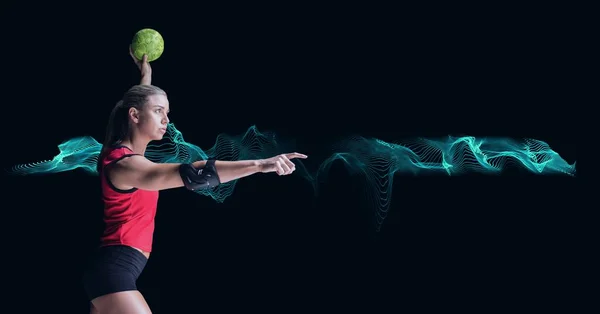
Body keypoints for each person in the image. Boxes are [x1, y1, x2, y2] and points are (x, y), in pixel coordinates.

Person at [82, 46, 307, 314]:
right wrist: (260, 164)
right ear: (134, 115)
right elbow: (195, 174)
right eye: (158, 111)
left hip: (115, 269)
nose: (166, 120)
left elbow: (134, 107)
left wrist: (146, 77)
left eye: (167, 112)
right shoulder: (125, 166)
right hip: (114, 271)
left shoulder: (119, 151)